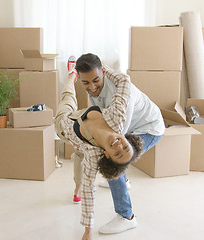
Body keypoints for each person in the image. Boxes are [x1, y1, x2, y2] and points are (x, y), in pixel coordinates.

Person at [71, 53, 165, 235]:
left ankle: (126, 216)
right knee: (113, 156)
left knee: (114, 161)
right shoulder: (92, 80)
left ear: (104, 73)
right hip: (131, 127)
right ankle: (125, 181)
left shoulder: (121, 95)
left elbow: (115, 137)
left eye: (96, 80)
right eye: (86, 83)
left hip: (149, 128)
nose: (92, 87)